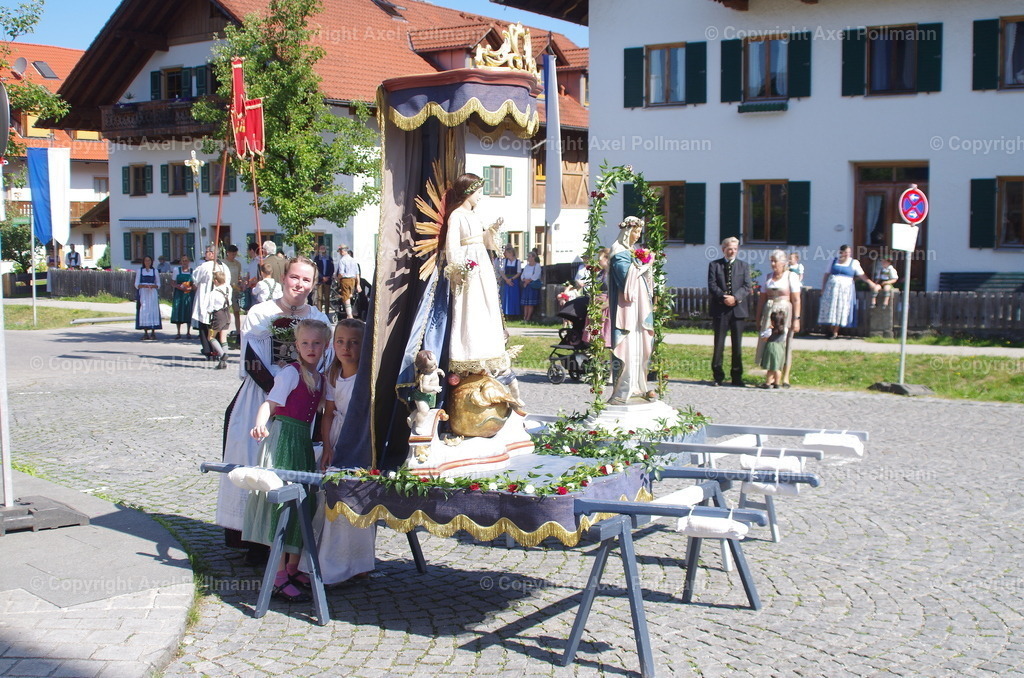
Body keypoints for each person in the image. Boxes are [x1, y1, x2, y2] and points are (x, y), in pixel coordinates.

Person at [217, 257, 329, 564]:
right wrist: (280, 391)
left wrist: (298, 394)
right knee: (256, 463)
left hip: (297, 406)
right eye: (295, 277)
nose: (300, 284)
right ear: (285, 278)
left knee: (287, 470)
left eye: (307, 280)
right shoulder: (261, 312)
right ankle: (255, 540)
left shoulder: (319, 318)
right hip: (262, 398)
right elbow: (252, 359)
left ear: (313, 284)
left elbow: (325, 360)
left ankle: (285, 541)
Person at [243, 318, 332, 602]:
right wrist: (260, 424)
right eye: (305, 343)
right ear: (296, 345)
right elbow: (270, 403)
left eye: (316, 343)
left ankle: (293, 568)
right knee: (283, 503)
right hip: (283, 439)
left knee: (301, 502)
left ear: (324, 346)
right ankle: (279, 573)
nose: (310, 348)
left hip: (301, 442)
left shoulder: (320, 378)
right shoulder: (291, 374)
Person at [443, 172, 521, 406]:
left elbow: (485, 242)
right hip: (470, 268)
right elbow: (452, 246)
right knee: (471, 310)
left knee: (486, 309)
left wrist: (492, 231)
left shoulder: (474, 215)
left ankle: (487, 354)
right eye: (478, 192)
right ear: (468, 191)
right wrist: (458, 269)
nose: (480, 197)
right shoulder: (457, 216)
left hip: (482, 266)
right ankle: (469, 355)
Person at [315, 318, 376, 586]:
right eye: (340, 341)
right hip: (338, 437)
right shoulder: (332, 374)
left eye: (353, 343)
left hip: (361, 439)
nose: (346, 348)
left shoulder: (367, 377)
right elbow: (329, 413)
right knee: (333, 498)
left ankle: (360, 561)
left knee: (358, 497)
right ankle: (333, 561)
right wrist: (328, 446)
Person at [607, 216, 656, 404]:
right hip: (626, 309)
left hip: (638, 310)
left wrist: (645, 267)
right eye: (635, 232)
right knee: (627, 345)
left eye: (639, 233)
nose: (637, 236)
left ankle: (638, 385)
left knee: (641, 344)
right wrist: (645, 266)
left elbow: (641, 278)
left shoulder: (631, 252)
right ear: (627, 231)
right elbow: (626, 281)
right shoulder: (618, 252)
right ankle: (623, 389)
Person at [708, 236, 752, 386]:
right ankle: (718, 376)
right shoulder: (715, 265)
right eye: (729, 249)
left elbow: (747, 286)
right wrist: (723, 297)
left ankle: (737, 376)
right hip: (720, 309)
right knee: (719, 343)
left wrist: (735, 298)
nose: (732, 251)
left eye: (735, 249)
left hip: (738, 310)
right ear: (723, 250)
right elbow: (712, 285)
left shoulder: (743, 266)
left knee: (737, 344)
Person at [755, 250, 802, 388]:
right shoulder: (767, 277)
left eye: (776, 261)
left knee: (785, 344)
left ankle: (785, 377)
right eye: (772, 261)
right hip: (770, 311)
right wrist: (758, 318)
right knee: (769, 344)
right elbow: (762, 299)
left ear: (784, 262)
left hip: (784, 312)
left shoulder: (791, 277)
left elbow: (796, 299)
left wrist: (796, 319)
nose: (773, 264)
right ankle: (770, 376)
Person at [818, 244, 879, 339]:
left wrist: (871, 284)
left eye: (849, 252)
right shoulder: (833, 261)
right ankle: (830, 329)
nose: (847, 254)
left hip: (845, 290)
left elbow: (862, 275)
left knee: (841, 308)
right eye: (845, 252)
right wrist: (823, 288)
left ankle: (835, 331)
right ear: (841, 252)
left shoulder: (854, 263)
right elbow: (826, 275)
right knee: (831, 308)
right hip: (831, 289)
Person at [192, 247, 231, 360]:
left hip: (208, 300)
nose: (206, 254)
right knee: (218, 328)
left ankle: (210, 351)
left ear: (213, 254)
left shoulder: (205, 266)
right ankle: (219, 351)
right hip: (222, 302)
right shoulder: (224, 267)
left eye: (208, 252)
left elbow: (195, 278)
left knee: (207, 328)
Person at [204, 270, 232, 369]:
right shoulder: (229, 288)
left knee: (211, 337)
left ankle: (222, 354)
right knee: (223, 338)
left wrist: (207, 312)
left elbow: (210, 308)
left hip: (218, 315)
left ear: (215, 281)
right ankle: (223, 362)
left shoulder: (214, 293)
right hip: (227, 313)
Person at [134, 255, 162, 341]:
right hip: (143, 293)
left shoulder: (155, 271)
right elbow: (136, 284)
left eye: (149, 261)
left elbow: (159, 284)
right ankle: (145, 332)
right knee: (144, 311)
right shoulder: (140, 271)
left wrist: (153, 286)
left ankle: (153, 332)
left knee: (153, 311)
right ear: (143, 262)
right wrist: (143, 285)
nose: (147, 262)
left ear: (151, 262)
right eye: (146, 261)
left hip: (152, 293)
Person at [759, 310, 787, 389]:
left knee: (771, 367)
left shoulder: (770, 330)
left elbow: (763, 336)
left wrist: (768, 329)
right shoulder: (784, 330)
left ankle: (768, 383)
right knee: (778, 368)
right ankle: (777, 383)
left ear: (772, 321)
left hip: (772, 347)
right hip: (780, 348)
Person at [170, 255, 195, 339]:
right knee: (179, 311)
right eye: (183, 260)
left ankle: (188, 332)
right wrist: (179, 287)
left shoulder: (192, 271)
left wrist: (190, 288)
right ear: (181, 262)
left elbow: (195, 284)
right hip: (179, 294)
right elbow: (173, 282)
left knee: (188, 311)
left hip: (188, 294)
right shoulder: (176, 270)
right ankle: (178, 332)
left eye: (186, 261)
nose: (185, 262)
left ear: (189, 262)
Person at [335, 244, 360, 319]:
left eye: (339, 251)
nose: (339, 253)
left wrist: (337, 278)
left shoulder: (342, 260)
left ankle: (349, 315)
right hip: (353, 280)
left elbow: (341, 273)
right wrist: (358, 284)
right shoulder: (353, 260)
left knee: (346, 298)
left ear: (342, 251)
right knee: (350, 296)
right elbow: (357, 273)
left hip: (345, 280)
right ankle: (349, 313)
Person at [224, 245, 243, 335]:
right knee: (225, 311)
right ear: (228, 253)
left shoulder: (237, 264)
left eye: (235, 254)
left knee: (236, 311)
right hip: (225, 289)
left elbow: (239, 276)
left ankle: (238, 331)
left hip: (235, 289)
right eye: (232, 254)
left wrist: (241, 283)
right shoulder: (223, 263)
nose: (233, 256)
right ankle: (223, 331)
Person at [519, 250, 543, 323]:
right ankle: (524, 317)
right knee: (526, 303)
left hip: (532, 285)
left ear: (533, 257)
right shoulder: (526, 266)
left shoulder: (537, 266)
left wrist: (528, 281)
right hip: (526, 285)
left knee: (530, 304)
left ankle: (528, 318)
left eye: (529, 256)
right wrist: (524, 280)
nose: (528, 258)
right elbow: (522, 275)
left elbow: (536, 275)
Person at [312, 244, 335, 316]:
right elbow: (316, 269)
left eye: (324, 248)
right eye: (321, 248)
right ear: (319, 250)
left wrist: (328, 277)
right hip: (320, 280)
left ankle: (327, 314)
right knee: (319, 298)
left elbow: (332, 269)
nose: (322, 249)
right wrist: (322, 277)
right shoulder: (316, 258)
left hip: (328, 281)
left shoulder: (329, 258)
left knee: (327, 298)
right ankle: (319, 313)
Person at [499, 245, 522, 317]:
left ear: (511, 253)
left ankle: (514, 313)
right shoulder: (504, 261)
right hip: (506, 280)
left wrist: (511, 279)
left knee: (514, 297)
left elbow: (518, 272)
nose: (505, 254)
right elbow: (501, 271)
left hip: (514, 281)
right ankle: (506, 313)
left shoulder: (517, 262)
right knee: (506, 296)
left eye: (506, 253)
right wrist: (506, 279)